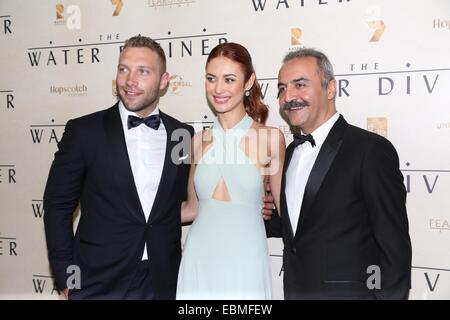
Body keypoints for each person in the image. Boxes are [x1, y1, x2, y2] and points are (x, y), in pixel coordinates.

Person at [43, 35, 194, 300]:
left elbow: (179, 201)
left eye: (143, 71)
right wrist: (68, 279)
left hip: (163, 279)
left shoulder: (181, 134)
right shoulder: (84, 132)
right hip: (97, 280)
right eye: (123, 69)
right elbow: (57, 206)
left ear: (163, 81)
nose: (129, 80)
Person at [264, 48, 412, 299]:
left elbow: (394, 247)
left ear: (331, 88)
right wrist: (263, 215)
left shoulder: (370, 150)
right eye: (281, 89)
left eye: (300, 85)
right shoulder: (288, 153)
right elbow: (301, 229)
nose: (288, 96)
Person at [176, 42, 285, 299]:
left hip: (246, 259)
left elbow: (285, 210)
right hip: (199, 259)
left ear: (249, 82)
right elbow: (192, 208)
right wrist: (133, 217)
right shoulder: (196, 141)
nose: (218, 89)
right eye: (211, 79)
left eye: (229, 79)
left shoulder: (271, 138)